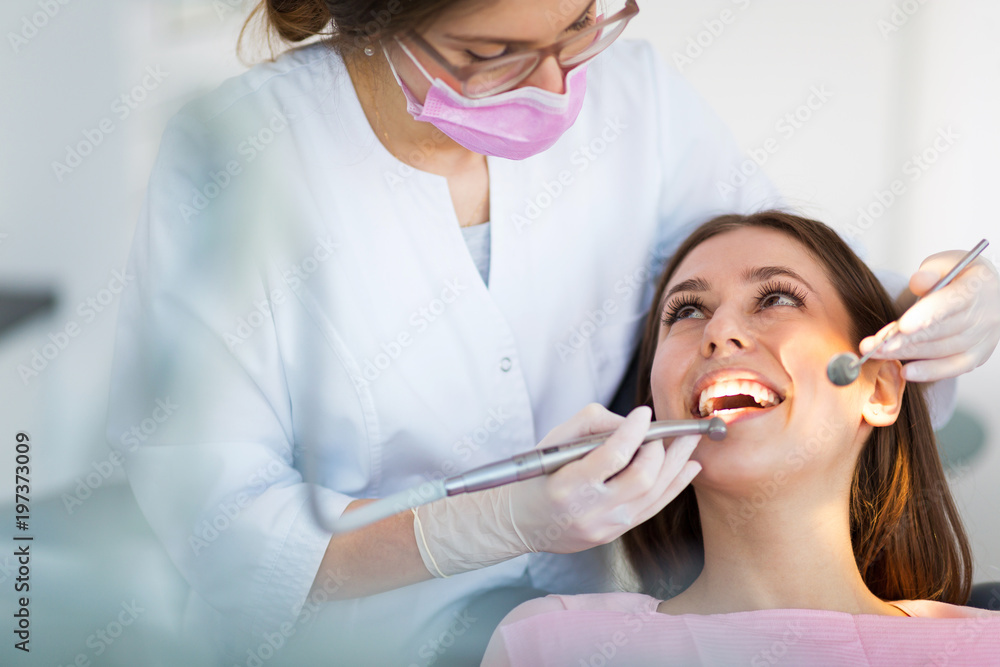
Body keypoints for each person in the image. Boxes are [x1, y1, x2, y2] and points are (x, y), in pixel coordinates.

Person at [104, 0, 1000, 663]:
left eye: (579, 25)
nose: (556, 83)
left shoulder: (637, 104)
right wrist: (478, 526)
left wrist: (924, 302)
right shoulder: (243, 162)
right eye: (491, 52)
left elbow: (773, 271)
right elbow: (222, 527)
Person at [481, 211, 1000, 666]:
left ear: (880, 388)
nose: (719, 330)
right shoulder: (547, 645)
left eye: (776, 297)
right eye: (686, 311)